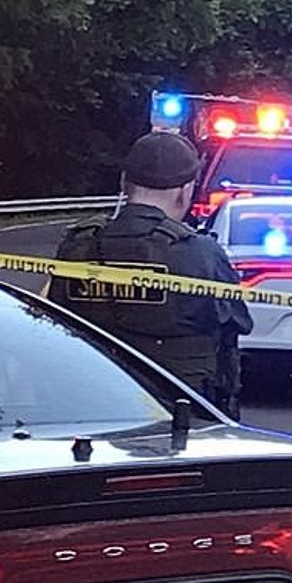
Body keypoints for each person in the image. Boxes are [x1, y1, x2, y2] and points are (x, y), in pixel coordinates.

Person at [48, 132, 253, 419]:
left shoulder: (78, 245)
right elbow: (238, 323)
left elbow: (50, 320)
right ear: (185, 191)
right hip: (181, 413)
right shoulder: (201, 253)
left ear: (123, 182)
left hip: (88, 409)